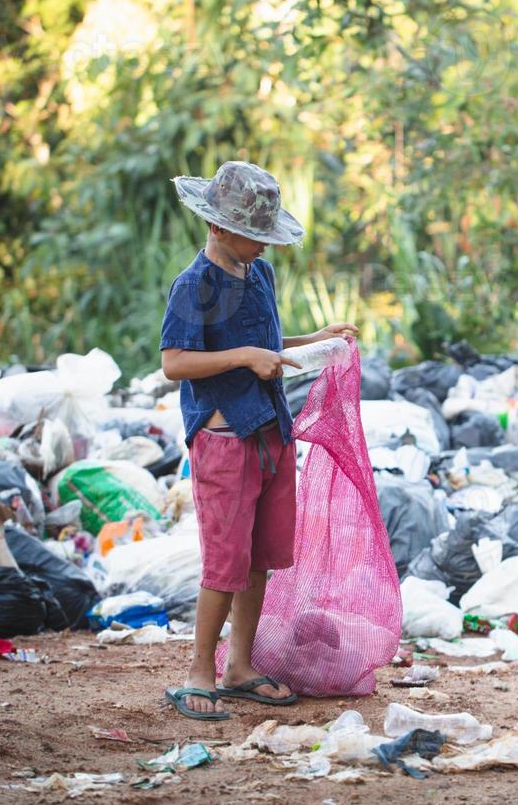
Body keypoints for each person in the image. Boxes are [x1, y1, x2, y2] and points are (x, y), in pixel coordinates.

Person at [159, 160, 357, 720]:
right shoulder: (195, 284)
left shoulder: (260, 275)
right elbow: (175, 362)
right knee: (224, 561)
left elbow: (267, 342)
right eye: (254, 237)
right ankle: (200, 669)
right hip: (225, 437)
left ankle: (239, 665)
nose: (264, 248)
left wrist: (313, 340)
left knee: (258, 558)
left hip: (272, 429)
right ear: (217, 227)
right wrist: (245, 358)